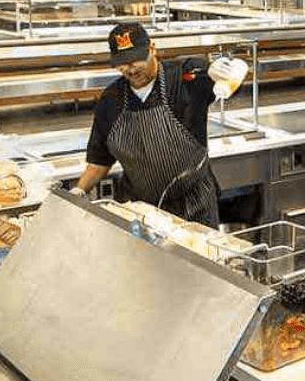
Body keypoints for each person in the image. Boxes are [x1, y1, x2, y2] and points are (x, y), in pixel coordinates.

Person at [75, 22, 249, 227]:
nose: (131, 69)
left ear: (152, 49)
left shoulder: (185, 78)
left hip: (195, 208)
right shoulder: (110, 101)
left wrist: (224, 73)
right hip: (142, 213)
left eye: (136, 59)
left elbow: (227, 83)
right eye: (123, 62)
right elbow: (99, 162)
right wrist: (78, 191)